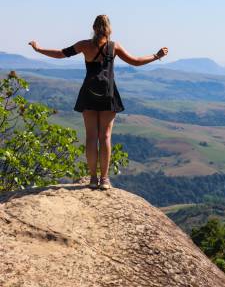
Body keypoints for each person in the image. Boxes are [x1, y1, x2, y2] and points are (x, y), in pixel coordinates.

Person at [29, 14, 168, 190]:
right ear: (109, 29)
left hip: (88, 93)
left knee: (91, 137)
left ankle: (93, 179)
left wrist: (38, 49)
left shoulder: (84, 45)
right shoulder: (114, 46)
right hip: (108, 94)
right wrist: (156, 55)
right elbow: (136, 61)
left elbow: (60, 54)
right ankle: (105, 179)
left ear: (93, 28)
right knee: (105, 137)